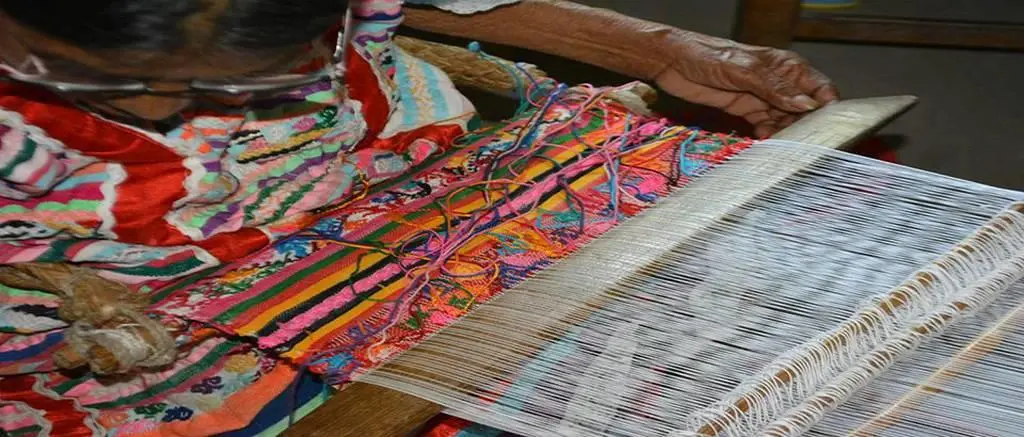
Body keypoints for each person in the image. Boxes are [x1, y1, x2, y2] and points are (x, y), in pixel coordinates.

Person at [0, 0, 837, 434]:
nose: (157, 108)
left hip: (385, 196)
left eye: (235, 74)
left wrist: (663, 50)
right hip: (93, 289)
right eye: (88, 72)